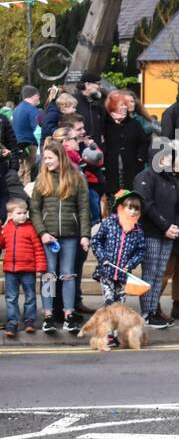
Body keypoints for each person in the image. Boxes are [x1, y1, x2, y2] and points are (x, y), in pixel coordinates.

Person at [29, 142, 91, 333]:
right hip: (49, 237)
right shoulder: (41, 179)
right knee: (49, 276)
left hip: (71, 235)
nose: (46, 161)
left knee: (68, 275)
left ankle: (68, 314)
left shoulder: (76, 178)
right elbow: (34, 209)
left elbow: (83, 208)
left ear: (60, 157)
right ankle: (48, 315)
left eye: (50, 158)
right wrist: (42, 232)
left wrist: (85, 235)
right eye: (45, 158)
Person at [132, 139, 179, 329]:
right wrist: (165, 226)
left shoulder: (170, 179)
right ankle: (147, 312)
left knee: (159, 272)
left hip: (168, 233)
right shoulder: (145, 176)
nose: (171, 160)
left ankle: (153, 310)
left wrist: (176, 226)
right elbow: (145, 204)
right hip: (151, 232)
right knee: (150, 272)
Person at [89, 189, 146, 308]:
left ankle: (116, 324)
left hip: (123, 274)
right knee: (109, 300)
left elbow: (141, 251)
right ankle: (108, 323)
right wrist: (102, 257)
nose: (133, 211)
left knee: (119, 303)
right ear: (120, 208)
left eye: (136, 209)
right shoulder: (110, 223)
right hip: (107, 270)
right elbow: (96, 240)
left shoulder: (138, 231)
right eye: (129, 208)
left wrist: (130, 264)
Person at [2, 198, 46, 336]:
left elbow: (39, 249)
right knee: (11, 297)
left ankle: (29, 321)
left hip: (28, 269)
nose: (22, 216)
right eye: (18, 213)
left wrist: (40, 268)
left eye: (24, 213)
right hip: (11, 270)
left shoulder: (31, 229)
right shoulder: (6, 229)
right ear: (10, 215)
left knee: (30, 296)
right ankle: (12, 322)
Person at [102, 91, 150, 214]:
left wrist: (140, 157)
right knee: (113, 202)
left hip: (132, 167)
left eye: (125, 105)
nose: (125, 107)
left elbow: (144, 141)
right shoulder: (105, 124)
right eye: (121, 105)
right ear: (112, 107)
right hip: (111, 169)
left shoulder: (134, 123)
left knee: (131, 199)